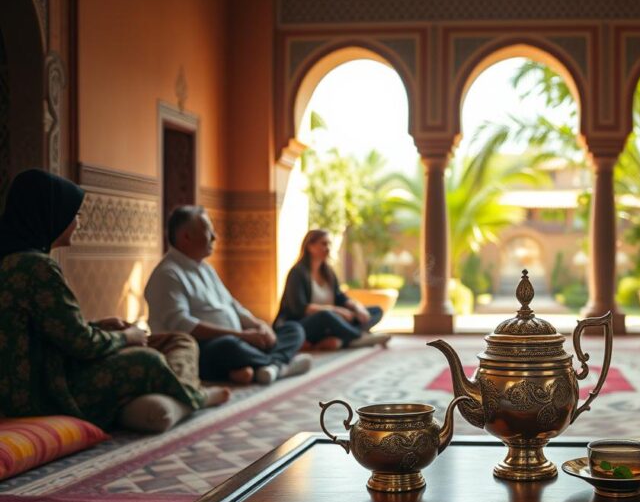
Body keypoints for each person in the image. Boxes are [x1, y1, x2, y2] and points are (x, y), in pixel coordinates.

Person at [0, 170, 228, 430]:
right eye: (74, 214)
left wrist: (99, 326)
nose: (78, 222)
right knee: (147, 359)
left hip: (42, 376)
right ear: (50, 215)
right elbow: (82, 346)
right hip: (48, 390)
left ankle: (168, 398)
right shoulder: (37, 268)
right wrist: (127, 338)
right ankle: (193, 397)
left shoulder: (14, 261)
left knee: (178, 339)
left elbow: (49, 330)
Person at [145, 205, 312, 385]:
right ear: (186, 237)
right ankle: (281, 364)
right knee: (228, 347)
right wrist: (242, 336)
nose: (214, 237)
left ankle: (265, 366)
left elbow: (232, 305)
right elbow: (183, 326)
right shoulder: (168, 274)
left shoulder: (206, 269)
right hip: (201, 349)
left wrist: (260, 326)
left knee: (294, 329)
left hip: (239, 339)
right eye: (209, 231)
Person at [275, 229, 390, 350]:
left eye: (329, 244)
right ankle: (357, 337)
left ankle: (342, 339)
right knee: (326, 315)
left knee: (376, 311)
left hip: (331, 323)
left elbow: (339, 297)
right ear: (310, 246)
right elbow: (299, 308)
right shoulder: (297, 273)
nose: (328, 248)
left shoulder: (328, 272)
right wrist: (336, 311)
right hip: (302, 325)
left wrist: (357, 308)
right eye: (324, 244)